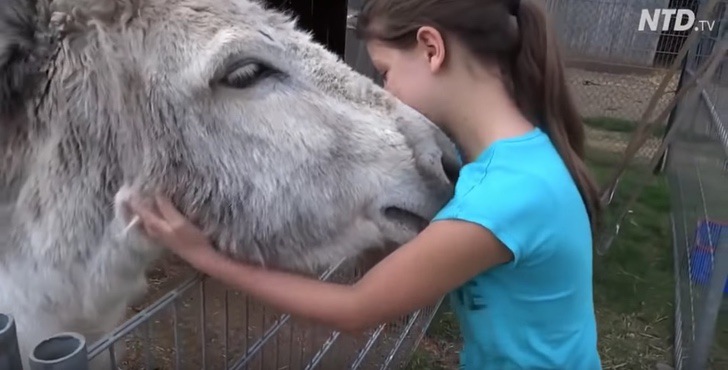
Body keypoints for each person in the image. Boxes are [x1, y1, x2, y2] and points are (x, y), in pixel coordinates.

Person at [126, 0, 604, 368]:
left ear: (432, 49)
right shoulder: (501, 161)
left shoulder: (507, 199)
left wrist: (204, 255)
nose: (385, 92)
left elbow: (355, 309)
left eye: (385, 72)